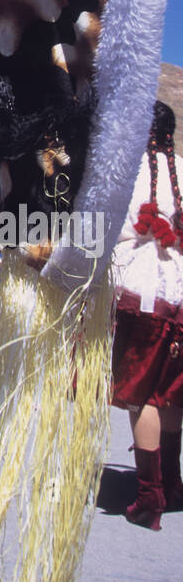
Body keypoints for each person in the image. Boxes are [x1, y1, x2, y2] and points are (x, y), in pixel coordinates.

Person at [112, 101, 183, 529]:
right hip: (178, 292)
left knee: (143, 399)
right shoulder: (181, 169)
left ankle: (149, 498)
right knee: (170, 392)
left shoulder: (132, 168)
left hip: (141, 294)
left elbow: (116, 225)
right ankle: (172, 485)